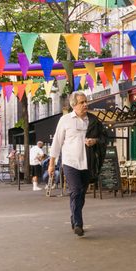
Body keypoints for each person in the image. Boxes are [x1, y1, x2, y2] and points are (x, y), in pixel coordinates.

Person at [48, 91, 98, 237]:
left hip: (86, 162)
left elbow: (101, 138)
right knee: (75, 191)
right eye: (82, 102)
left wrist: (94, 141)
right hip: (70, 163)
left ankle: (74, 216)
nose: (85, 104)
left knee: (81, 193)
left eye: (86, 101)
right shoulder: (65, 120)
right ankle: (78, 223)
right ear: (73, 105)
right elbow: (57, 142)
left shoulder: (92, 120)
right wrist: (52, 163)